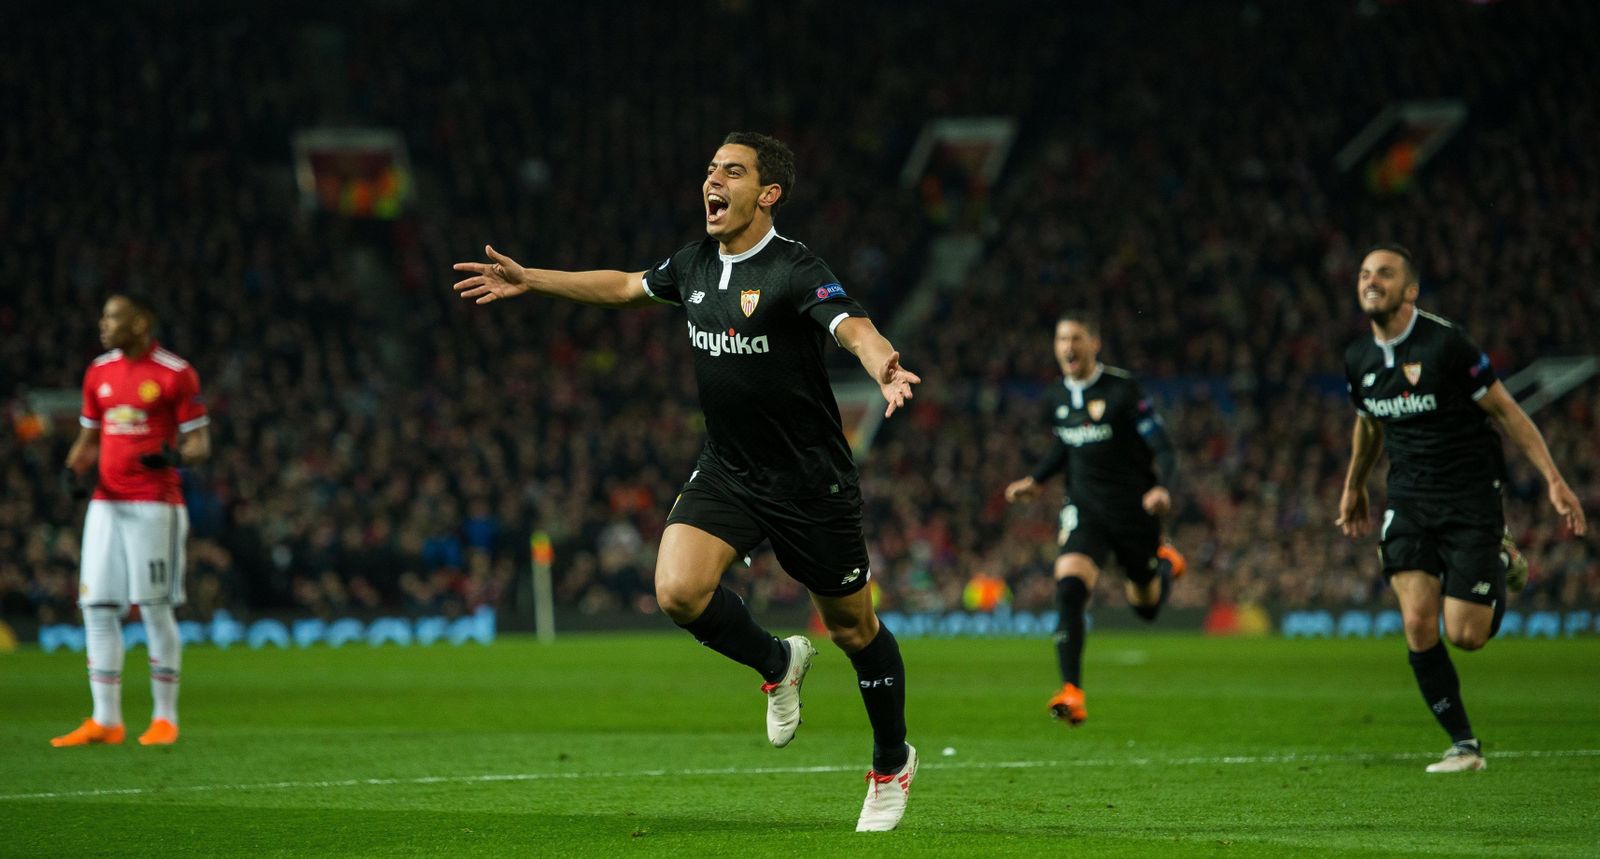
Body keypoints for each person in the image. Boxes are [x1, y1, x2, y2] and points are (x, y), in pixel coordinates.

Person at [452, 132, 921, 831]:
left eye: (732, 171)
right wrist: (533, 279)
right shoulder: (694, 262)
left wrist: (883, 362)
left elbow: (851, 325)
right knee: (676, 590)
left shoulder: (795, 268)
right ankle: (778, 662)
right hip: (729, 468)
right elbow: (624, 286)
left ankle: (891, 759)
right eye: (710, 169)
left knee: (854, 629)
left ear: (768, 193)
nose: (713, 181)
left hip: (808, 481)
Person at [1336, 244, 1587, 773]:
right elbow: (1368, 424)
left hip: (1469, 496)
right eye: (1364, 274)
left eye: (1384, 273)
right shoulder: (1358, 358)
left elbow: (1506, 411)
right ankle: (1463, 745)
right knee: (1416, 622)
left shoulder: (1446, 344)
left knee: (1467, 636)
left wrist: (1553, 478)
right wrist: (1354, 485)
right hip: (1408, 499)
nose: (1371, 281)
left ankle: (1496, 557)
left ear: (1410, 289)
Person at [1004, 311, 1186, 725]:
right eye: (1061, 339)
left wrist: (1163, 488)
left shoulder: (1123, 390)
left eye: (1076, 338)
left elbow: (1164, 448)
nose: (1068, 346)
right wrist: (1037, 480)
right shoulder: (1056, 397)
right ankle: (1072, 691)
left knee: (1146, 607)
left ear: (1094, 343)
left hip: (1134, 512)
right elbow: (1065, 444)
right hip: (1085, 511)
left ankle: (1163, 564)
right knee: (1069, 587)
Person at [52, 293, 211, 748]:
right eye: (103, 316)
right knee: (97, 607)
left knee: (155, 607)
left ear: (140, 323)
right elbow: (89, 438)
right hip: (106, 503)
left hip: (155, 505)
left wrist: (174, 458)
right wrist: (71, 471)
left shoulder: (175, 373)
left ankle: (164, 718)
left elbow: (200, 443)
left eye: (112, 317)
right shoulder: (98, 372)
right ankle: (106, 720)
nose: (103, 324)